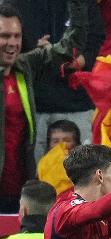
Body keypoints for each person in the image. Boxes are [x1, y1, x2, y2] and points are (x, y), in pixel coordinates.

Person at [0, 0, 87, 214]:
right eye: (4, 36)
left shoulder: (25, 66)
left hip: (21, 192)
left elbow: (69, 48)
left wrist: (77, 5)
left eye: (17, 36)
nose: (12, 43)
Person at [10, 0, 104, 161]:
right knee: (36, 176)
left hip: (77, 103)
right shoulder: (15, 4)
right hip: (34, 107)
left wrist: (77, 62)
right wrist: (37, 56)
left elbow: (95, 38)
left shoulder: (83, 3)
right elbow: (9, 51)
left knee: (84, 176)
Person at [37, 120, 81, 195]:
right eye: (55, 141)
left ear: (76, 144)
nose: (61, 145)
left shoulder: (86, 165)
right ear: (49, 145)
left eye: (67, 140)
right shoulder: (42, 164)